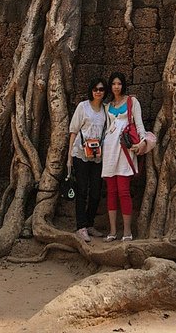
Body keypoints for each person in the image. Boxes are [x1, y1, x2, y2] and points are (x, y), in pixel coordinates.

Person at [102, 72, 146, 242]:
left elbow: (139, 124)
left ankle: (127, 230)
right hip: (109, 150)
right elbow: (105, 127)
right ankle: (112, 231)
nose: (116, 87)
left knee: (124, 191)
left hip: (125, 150)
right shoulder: (107, 105)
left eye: (119, 83)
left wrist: (142, 142)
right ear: (110, 86)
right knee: (111, 191)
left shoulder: (132, 102)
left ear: (123, 85)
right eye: (113, 83)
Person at [67, 77, 108, 242]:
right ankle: (81, 226)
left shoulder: (106, 109)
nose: (98, 92)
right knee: (82, 190)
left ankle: (90, 223)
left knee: (96, 191)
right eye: (95, 89)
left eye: (101, 89)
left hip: (97, 155)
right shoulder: (82, 107)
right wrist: (69, 155)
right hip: (80, 153)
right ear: (91, 90)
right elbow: (73, 131)